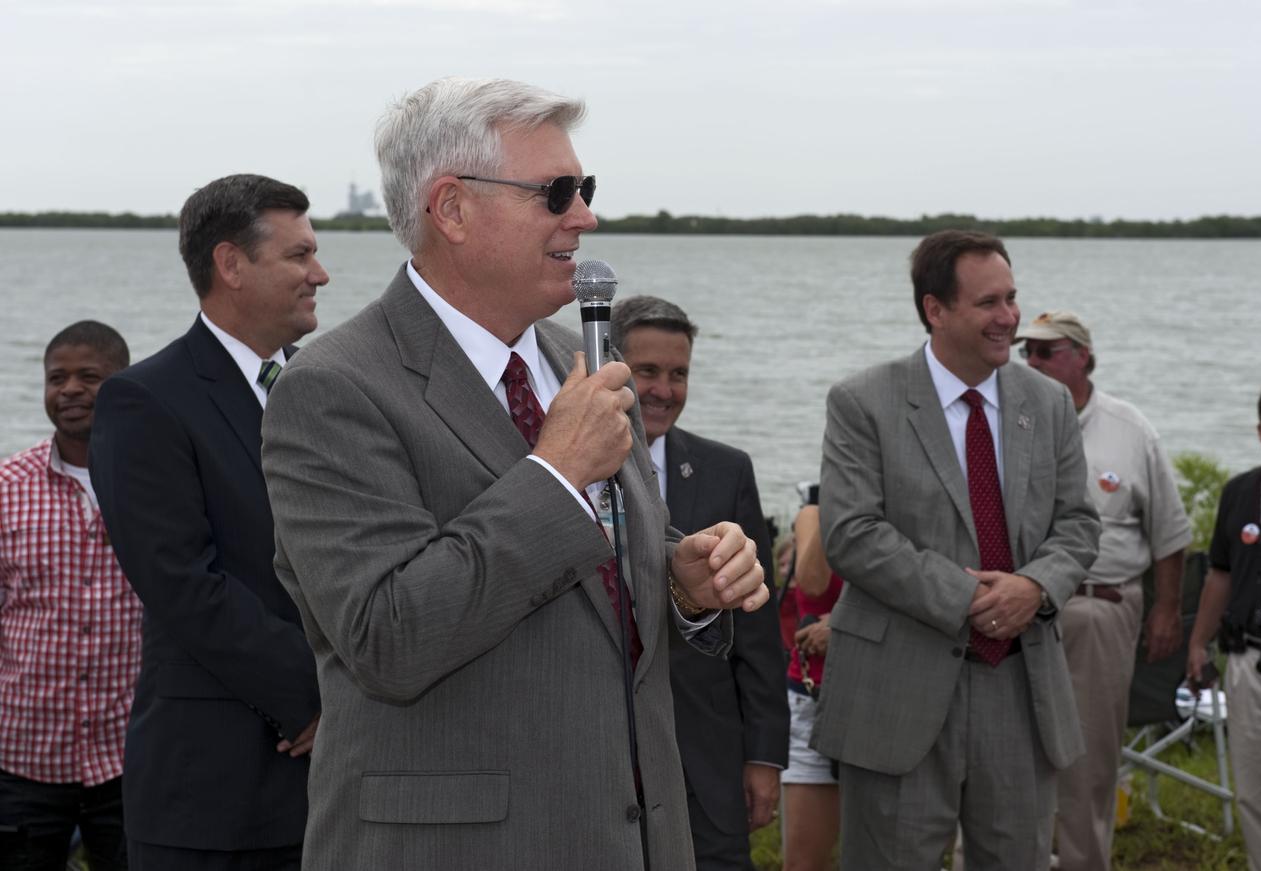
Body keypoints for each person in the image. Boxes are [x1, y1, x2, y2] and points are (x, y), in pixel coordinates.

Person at [258, 77, 769, 871]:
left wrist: (679, 578)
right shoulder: (333, 388)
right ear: (453, 209)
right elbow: (387, 636)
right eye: (555, 192)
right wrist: (555, 473)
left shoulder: (584, 361)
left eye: (585, 189)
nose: (585, 216)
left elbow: (597, 591)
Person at [811, 229, 1100, 870]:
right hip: (897, 695)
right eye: (989, 303)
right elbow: (851, 534)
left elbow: (1078, 524)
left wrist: (1035, 588)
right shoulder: (863, 402)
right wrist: (971, 596)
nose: (1010, 319)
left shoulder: (1048, 403)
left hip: (1020, 693)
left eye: (1012, 298)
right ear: (935, 309)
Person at [88, 174, 327, 870]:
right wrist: (317, 692)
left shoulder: (332, 392)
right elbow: (182, 582)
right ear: (231, 264)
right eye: (299, 255)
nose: (321, 273)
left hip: (342, 786)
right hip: (217, 794)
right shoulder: (144, 401)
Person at [612, 294, 789, 870]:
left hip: (706, 762)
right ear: (610, 366)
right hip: (601, 757)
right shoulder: (563, 467)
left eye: (679, 373)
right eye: (648, 372)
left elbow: (758, 628)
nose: (664, 389)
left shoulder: (726, 469)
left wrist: (764, 755)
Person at [1016, 310, 1191, 871]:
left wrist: (1166, 610)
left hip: (1101, 607)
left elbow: (1170, 533)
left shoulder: (1129, 428)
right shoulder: (1008, 419)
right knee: (1003, 756)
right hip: (1016, 611)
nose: (1034, 362)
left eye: (1047, 351)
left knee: (1088, 765)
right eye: (1029, 353)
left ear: (1083, 356)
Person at [0, 322, 138, 871]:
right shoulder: (8, 487)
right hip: (23, 756)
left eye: (90, 377)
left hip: (130, 756)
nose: (71, 389)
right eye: (57, 378)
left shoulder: (157, 480)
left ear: (125, 386)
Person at [1187, 370, 1261, 871]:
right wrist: (1198, 645)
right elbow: (1219, 575)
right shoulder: (1241, 492)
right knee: (1258, 795)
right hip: (1251, 663)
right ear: (1259, 427)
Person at [784, 502, 843, 871]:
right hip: (813, 696)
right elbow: (812, 581)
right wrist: (837, 499)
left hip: (885, 700)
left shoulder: (905, 508)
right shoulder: (814, 514)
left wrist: (847, 624)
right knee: (803, 863)